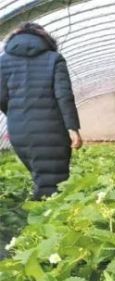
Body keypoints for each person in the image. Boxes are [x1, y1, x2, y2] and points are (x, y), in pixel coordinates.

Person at [0, 22, 82, 198]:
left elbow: (1, 97)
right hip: (51, 129)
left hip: (19, 130)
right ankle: (49, 221)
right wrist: (72, 128)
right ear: (44, 38)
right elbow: (64, 96)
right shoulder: (54, 59)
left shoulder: (3, 61)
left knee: (42, 179)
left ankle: (41, 219)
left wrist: (16, 115)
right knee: (54, 186)